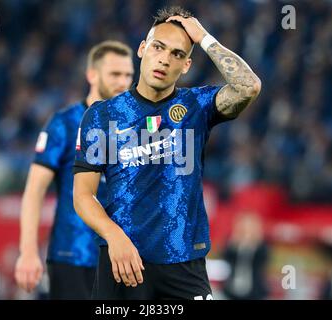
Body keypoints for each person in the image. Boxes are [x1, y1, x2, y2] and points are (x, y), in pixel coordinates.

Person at [73, 6, 261, 299]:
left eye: (177, 54)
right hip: (125, 263)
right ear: (142, 49)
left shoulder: (196, 106)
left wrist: (204, 38)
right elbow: (83, 195)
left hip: (185, 265)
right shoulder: (103, 116)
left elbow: (248, 87)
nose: (164, 58)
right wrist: (114, 236)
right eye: (158, 47)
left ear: (186, 65)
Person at [14, 40, 134, 299]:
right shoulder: (65, 124)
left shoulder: (135, 127)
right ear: (92, 74)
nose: (123, 82)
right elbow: (35, 190)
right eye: (115, 74)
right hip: (72, 256)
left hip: (124, 259)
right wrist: (28, 251)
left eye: (128, 75)